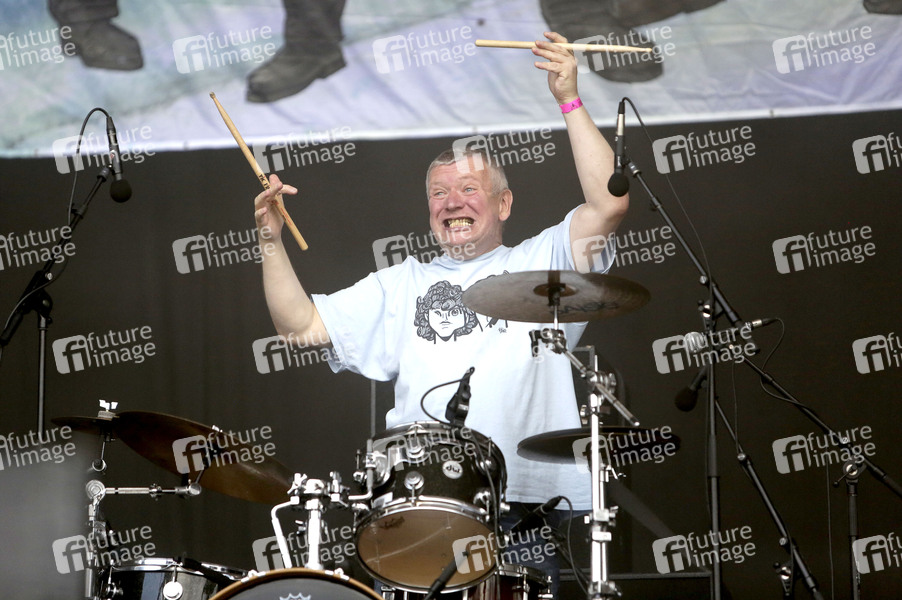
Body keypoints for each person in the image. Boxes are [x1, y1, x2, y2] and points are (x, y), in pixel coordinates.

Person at [254, 31, 628, 594]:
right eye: (438, 193)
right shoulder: (401, 282)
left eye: (469, 188)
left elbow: (609, 203)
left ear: (504, 203)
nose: (452, 202)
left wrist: (568, 99)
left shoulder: (544, 260)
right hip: (420, 505)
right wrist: (270, 239)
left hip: (528, 508)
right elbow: (300, 327)